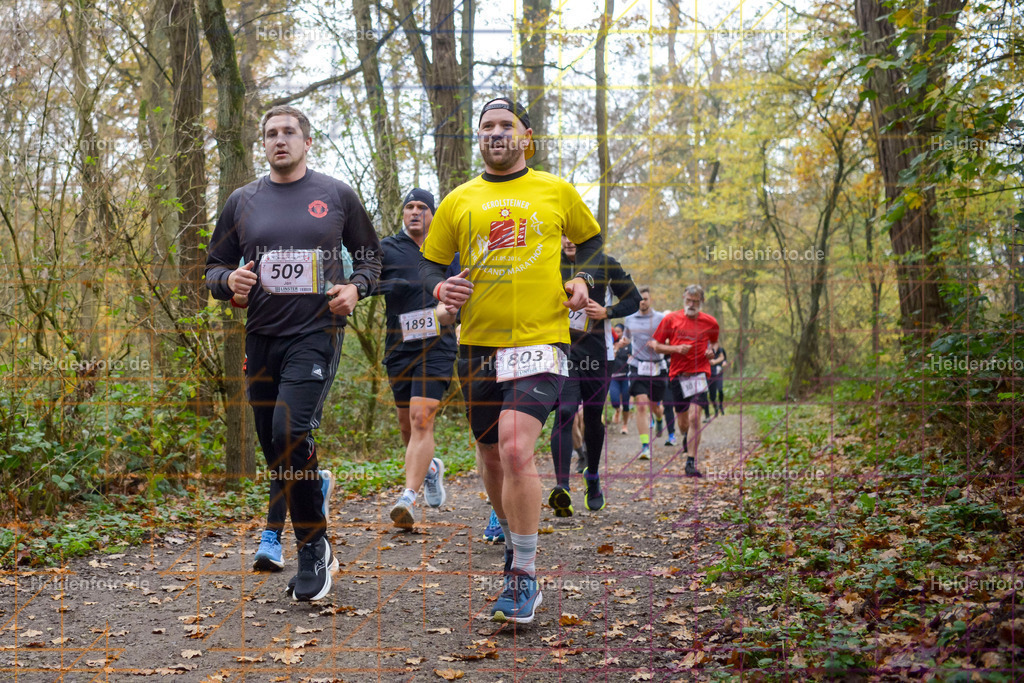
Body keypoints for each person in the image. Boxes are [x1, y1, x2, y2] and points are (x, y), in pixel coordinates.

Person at [419, 96, 602, 624]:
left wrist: (583, 279)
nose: (495, 133)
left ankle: (523, 572)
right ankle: (513, 543)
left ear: (526, 136)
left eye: (506, 125)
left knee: (516, 447)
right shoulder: (459, 200)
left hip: (541, 340)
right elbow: (427, 268)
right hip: (478, 345)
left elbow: (591, 243)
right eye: (487, 126)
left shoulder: (555, 190)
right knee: (492, 456)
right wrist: (440, 289)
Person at [205, 105, 381, 602]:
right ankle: (312, 496)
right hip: (261, 337)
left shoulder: (336, 194)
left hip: (316, 333)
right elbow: (213, 267)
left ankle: (311, 548)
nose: (279, 140)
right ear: (263, 144)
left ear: (307, 141)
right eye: (270, 134)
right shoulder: (242, 201)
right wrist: (229, 281)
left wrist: (356, 288)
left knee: (289, 431)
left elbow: (371, 258)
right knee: (276, 447)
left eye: (288, 132)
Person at [369, 188, 459, 530]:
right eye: (410, 206)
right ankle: (431, 469)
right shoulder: (387, 249)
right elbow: (363, 279)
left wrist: (455, 317)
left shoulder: (449, 251)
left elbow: (467, 294)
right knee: (407, 426)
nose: (416, 212)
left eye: (423, 207)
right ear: (403, 213)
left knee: (422, 419)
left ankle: (407, 498)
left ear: (433, 214)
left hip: (437, 347)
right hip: (399, 347)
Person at [548, 237, 639, 516]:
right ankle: (562, 487)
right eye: (564, 234)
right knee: (565, 411)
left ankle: (593, 475)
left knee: (592, 416)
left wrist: (607, 311)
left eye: (575, 235)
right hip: (561, 350)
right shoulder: (548, 261)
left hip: (599, 353)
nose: (569, 240)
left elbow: (633, 299)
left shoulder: (605, 264)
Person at [649, 285, 720, 477]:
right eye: (689, 300)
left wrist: (712, 351)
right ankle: (686, 437)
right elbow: (656, 345)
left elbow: (715, 342)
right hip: (678, 375)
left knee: (695, 417)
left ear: (701, 302)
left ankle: (690, 462)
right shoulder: (671, 319)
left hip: (700, 374)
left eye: (695, 301)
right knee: (683, 423)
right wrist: (676, 349)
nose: (691, 304)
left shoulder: (710, 322)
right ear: (684, 298)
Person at [622, 287, 668, 460]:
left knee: (655, 406)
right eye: (640, 299)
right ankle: (645, 447)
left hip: (657, 367)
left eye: (645, 299)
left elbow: (670, 340)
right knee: (641, 405)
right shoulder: (629, 319)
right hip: (637, 366)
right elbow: (627, 338)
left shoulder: (661, 318)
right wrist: (622, 343)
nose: (642, 301)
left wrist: (659, 345)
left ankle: (659, 418)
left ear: (650, 300)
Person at [608, 324, 632, 433]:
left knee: (626, 403)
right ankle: (617, 410)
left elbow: (632, 359)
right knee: (615, 400)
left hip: (626, 377)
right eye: (615, 332)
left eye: (619, 332)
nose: (617, 334)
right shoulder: (610, 344)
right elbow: (610, 359)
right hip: (614, 377)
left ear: (623, 332)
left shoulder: (628, 345)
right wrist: (616, 348)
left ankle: (625, 425)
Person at [709, 345, 727, 417]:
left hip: (719, 373)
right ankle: (715, 407)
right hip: (710, 373)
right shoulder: (707, 349)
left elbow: (724, 358)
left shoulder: (720, 349)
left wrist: (724, 362)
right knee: (712, 395)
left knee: (720, 389)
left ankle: (721, 406)